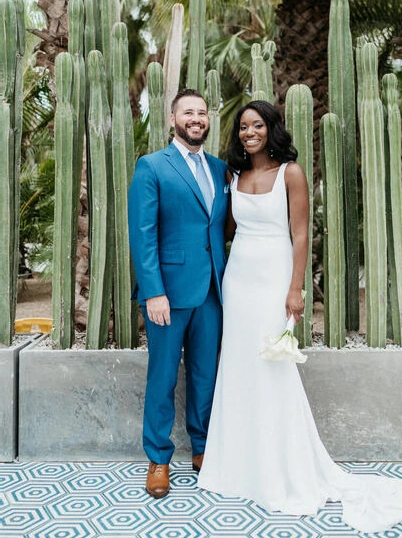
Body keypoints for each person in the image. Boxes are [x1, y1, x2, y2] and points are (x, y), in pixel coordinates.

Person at [197, 99, 402, 534]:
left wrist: (295, 288)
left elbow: (300, 232)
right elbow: (228, 228)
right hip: (239, 280)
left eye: (257, 125)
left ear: (272, 129)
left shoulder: (289, 173)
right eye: (242, 127)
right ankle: (238, 465)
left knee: (273, 368)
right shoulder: (235, 175)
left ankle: (280, 468)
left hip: (274, 277)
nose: (248, 133)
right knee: (237, 366)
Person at [128, 88, 229, 499]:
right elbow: (143, 233)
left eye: (202, 113)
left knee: (206, 374)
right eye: (188, 112)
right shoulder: (152, 166)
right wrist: (153, 291)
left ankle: (203, 448)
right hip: (167, 294)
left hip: (211, 292)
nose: (196, 119)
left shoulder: (221, 169)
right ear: (173, 119)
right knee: (164, 376)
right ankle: (158, 458)